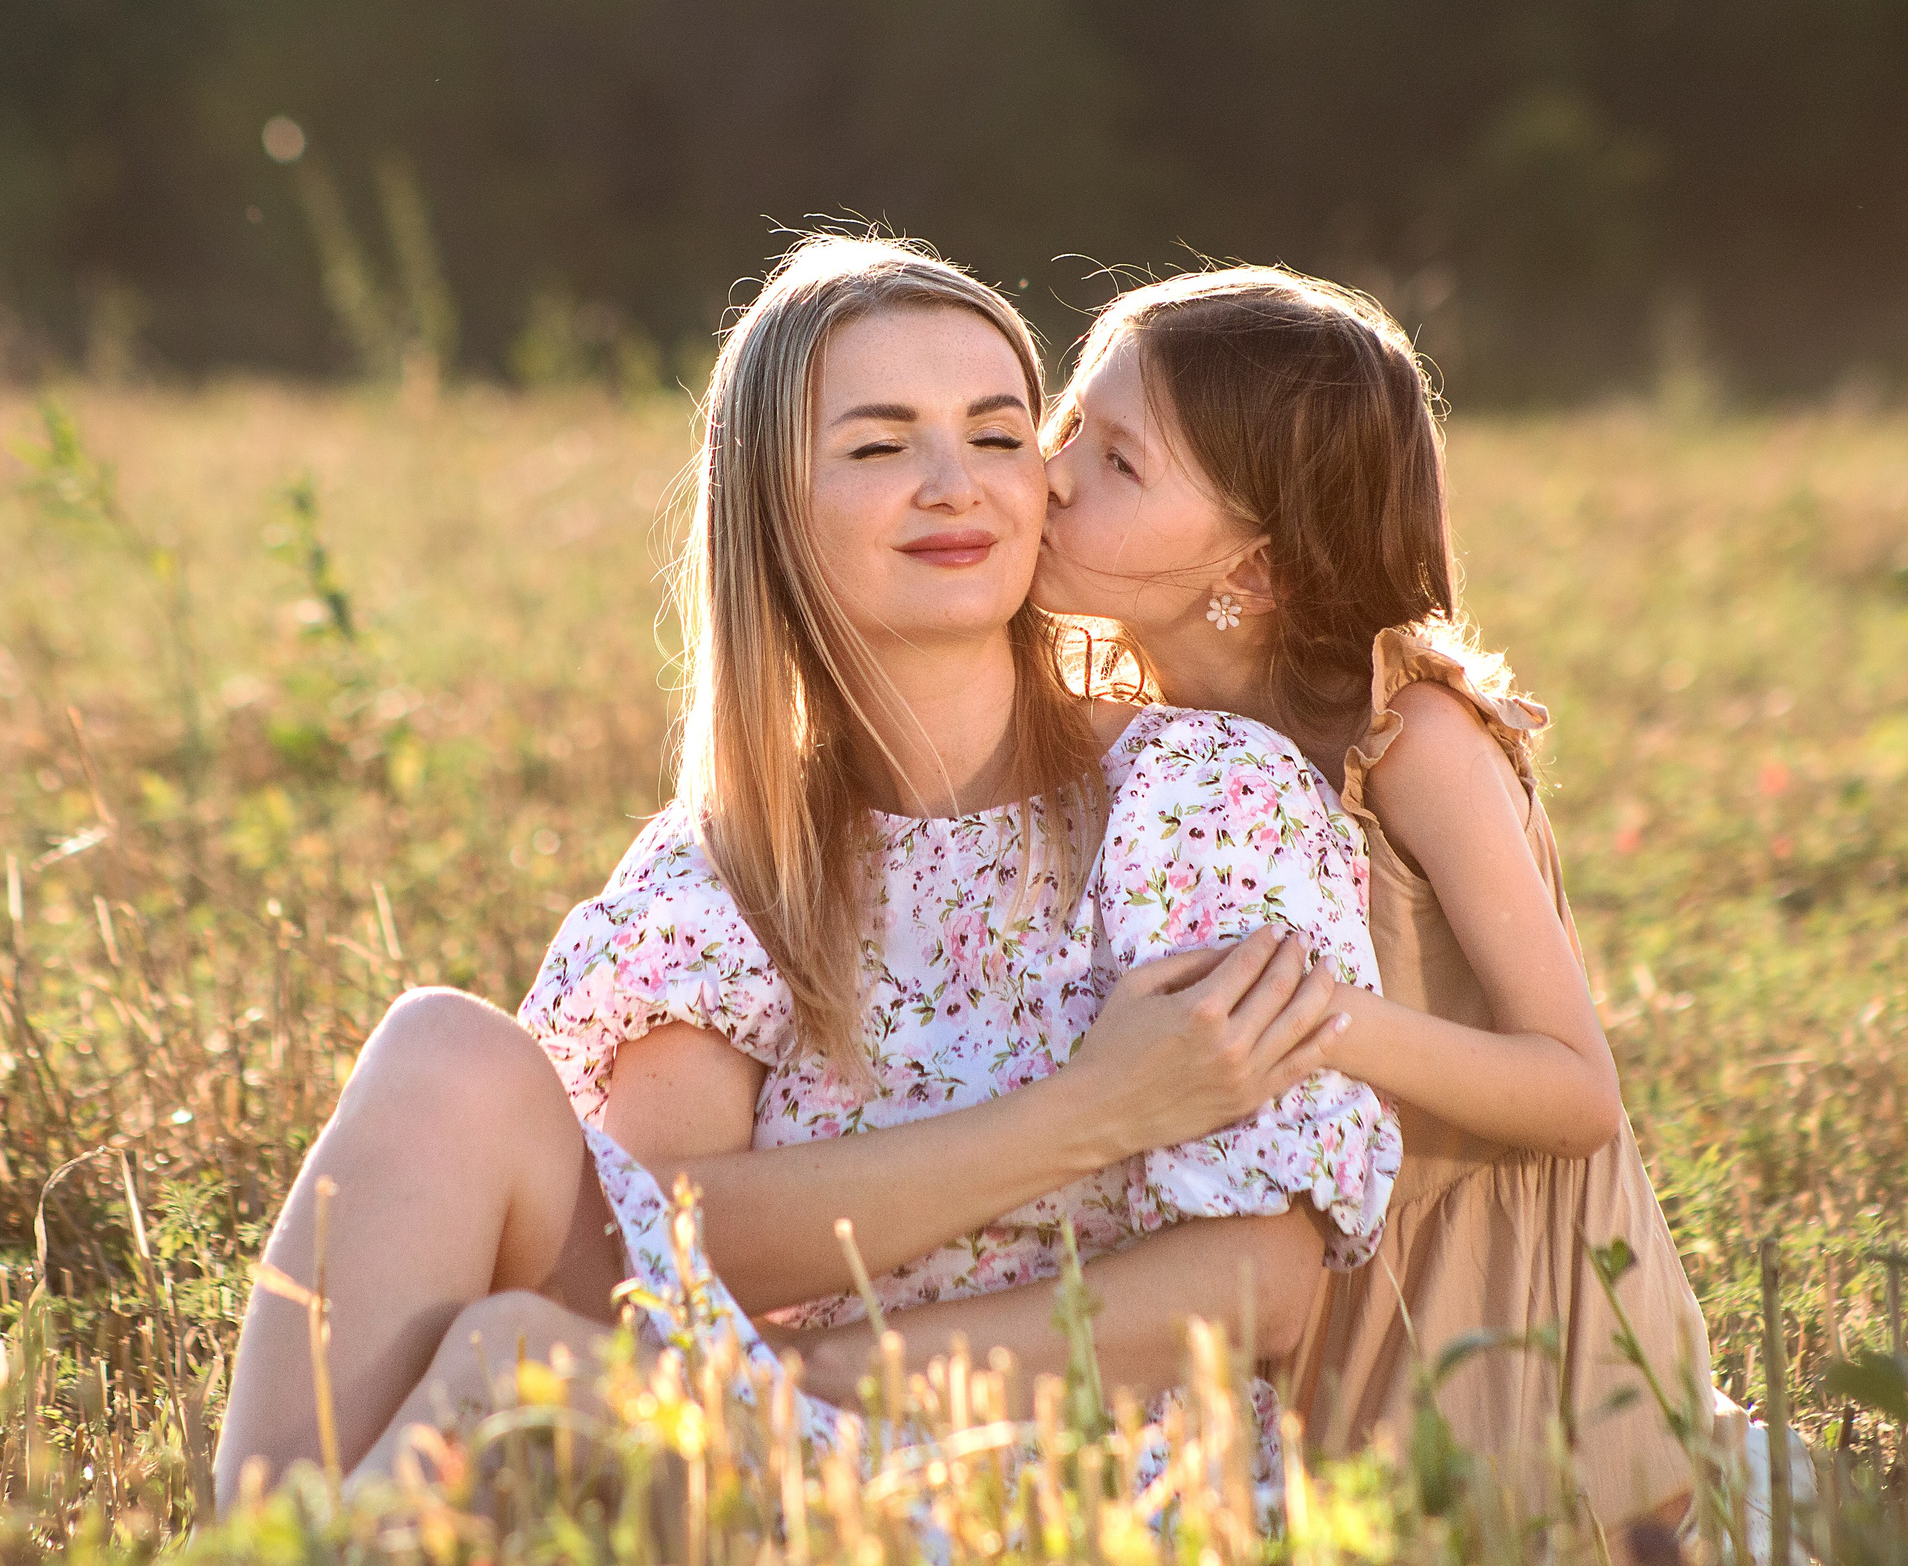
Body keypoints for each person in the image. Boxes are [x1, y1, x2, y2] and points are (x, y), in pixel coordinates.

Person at [214, 236, 1400, 1510]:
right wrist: (1082, 1120)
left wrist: (796, 1378)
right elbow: (668, 1241)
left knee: (519, 1364)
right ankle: (262, 1539)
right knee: (440, 1057)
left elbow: (1255, 1284)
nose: (956, 485)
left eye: (1000, 437)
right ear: (772, 502)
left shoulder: (1198, 790)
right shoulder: (733, 858)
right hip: (760, 1444)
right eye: (882, 447)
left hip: (1079, 1488)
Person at [1023, 265, 1715, 1523]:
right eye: (1069, 423)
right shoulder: (1129, 723)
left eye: (1118, 462)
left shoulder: (1409, 741)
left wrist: (1314, 1021)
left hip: (1507, 1343)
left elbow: (1575, 1090)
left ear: (1261, 567)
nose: (1053, 471)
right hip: (1310, 1300)